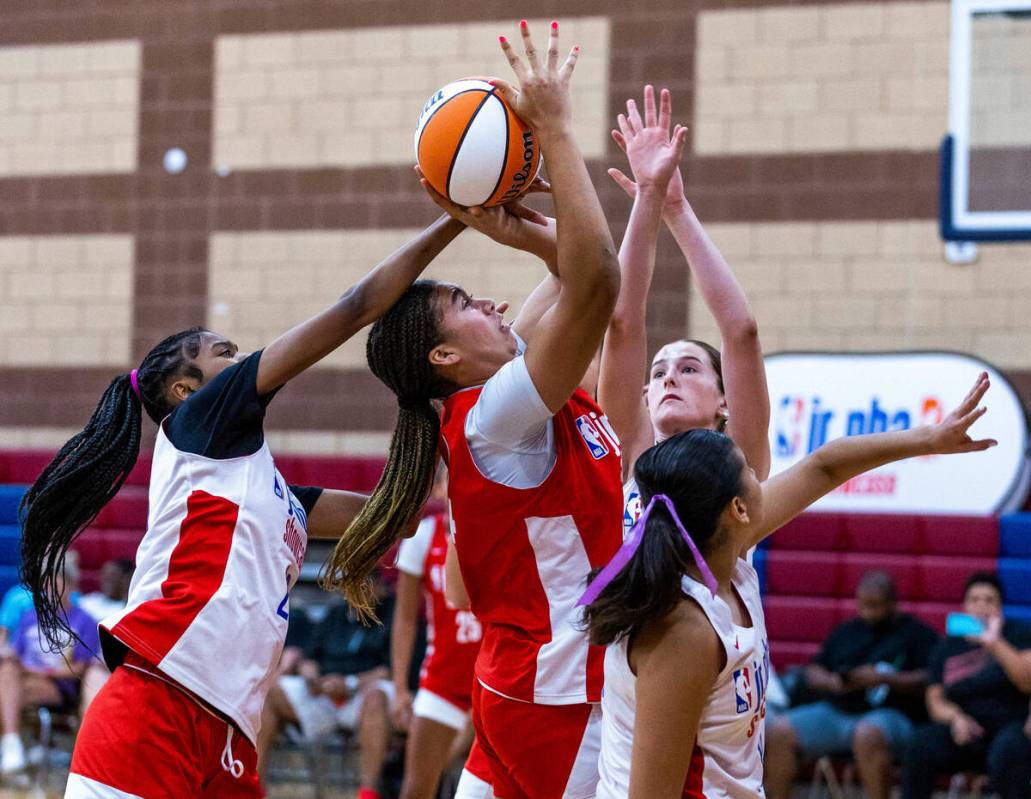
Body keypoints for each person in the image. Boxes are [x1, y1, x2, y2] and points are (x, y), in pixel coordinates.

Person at [18, 208, 479, 799]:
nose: (239, 361)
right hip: (159, 701)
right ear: (187, 391)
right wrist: (454, 219)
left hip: (230, 729)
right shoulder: (197, 423)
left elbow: (400, 516)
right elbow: (358, 305)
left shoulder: (272, 492)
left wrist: (439, 417)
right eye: (223, 353)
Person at [323, 21, 624, 799]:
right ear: (443, 358)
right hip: (562, 698)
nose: (489, 300)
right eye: (464, 302)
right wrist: (552, 129)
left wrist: (513, 199)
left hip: (521, 685)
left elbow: (576, 265)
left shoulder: (500, 385)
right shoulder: (494, 413)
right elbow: (595, 280)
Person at [581, 374, 995, 799]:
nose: (762, 478)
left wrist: (930, 439)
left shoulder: (728, 556)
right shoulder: (682, 631)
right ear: (738, 508)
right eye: (747, 468)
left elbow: (824, 466)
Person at [597, 86, 770, 539]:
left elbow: (741, 332)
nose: (668, 378)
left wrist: (675, 208)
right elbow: (622, 321)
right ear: (645, 397)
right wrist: (648, 197)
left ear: (724, 400)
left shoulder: (739, 459)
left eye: (689, 368)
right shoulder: (631, 453)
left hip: (711, 613)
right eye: (658, 373)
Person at [764, 571, 939, 799]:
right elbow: (813, 670)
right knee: (780, 731)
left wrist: (885, 678)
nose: (868, 612)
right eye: (863, 605)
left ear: (893, 603)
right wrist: (832, 682)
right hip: (838, 710)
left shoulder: (917, 634)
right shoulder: (847, 631)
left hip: (891, 714)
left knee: (866, 735)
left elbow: (932, 679)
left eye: (875, 606)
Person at [392, 470, 491, 799]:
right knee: (416, 790)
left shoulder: (499, 530)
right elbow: (405, 620)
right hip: (442, 684)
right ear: (437, 489)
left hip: (493, 683)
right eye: (455, 475)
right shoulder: (422, 536)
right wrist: (400, 687)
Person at [258, 581, 396, 799]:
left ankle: (368, 792)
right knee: (271, 693)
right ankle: (254, 786)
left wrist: (350, 683)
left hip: (362, 694)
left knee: (377, 698)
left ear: (378, 589)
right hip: (324, 693)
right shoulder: (336, 613)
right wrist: (312, 678)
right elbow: (309, 658)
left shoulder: (391, 615)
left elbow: (388, 670)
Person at [902, 572, 1031, 799]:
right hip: (966, 730)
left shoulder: (1019, 634)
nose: (981, 605)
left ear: (1000, 607)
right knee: (919, 744)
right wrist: (956, 719)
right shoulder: (946, 646)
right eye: (974, 599)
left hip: (1010, 725)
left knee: (1009, 751)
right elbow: (935, 698)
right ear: (965, 606)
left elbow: (1026, 682)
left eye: (989, 600)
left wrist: (994, 642)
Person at [0, 560, 100, 777]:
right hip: (23, 679)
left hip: (60, 687)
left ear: (72, 586)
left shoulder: (85, 621)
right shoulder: (30, 617)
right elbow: (14, 656)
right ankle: (14, 744)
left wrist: (36, 671)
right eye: (47, 586)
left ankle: (13, 744)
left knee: (8, 686)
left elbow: (80, 670)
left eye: (57, 585)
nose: (51, 591)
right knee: (7, 670)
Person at [78, 559, 134, 623]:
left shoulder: (128, 609)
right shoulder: (89, 600)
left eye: (112, 575)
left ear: (125, 579)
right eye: (104, 574)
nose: (106, 579)